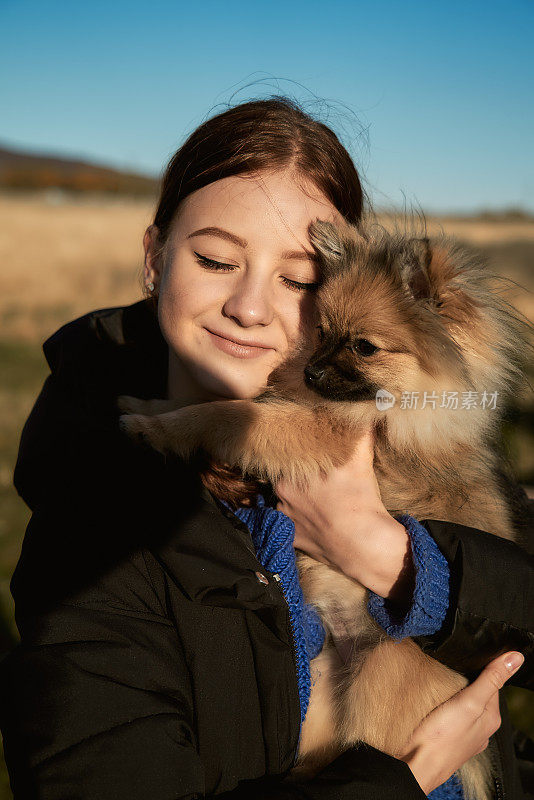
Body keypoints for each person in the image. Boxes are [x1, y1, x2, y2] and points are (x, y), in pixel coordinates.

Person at [0, 96, 533, 800]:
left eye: (297, 279)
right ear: (156, 257)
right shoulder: (96, 536)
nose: (250, 307)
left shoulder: (404, 421)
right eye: (218, 258)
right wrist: (403, 778)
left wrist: (383, 552)